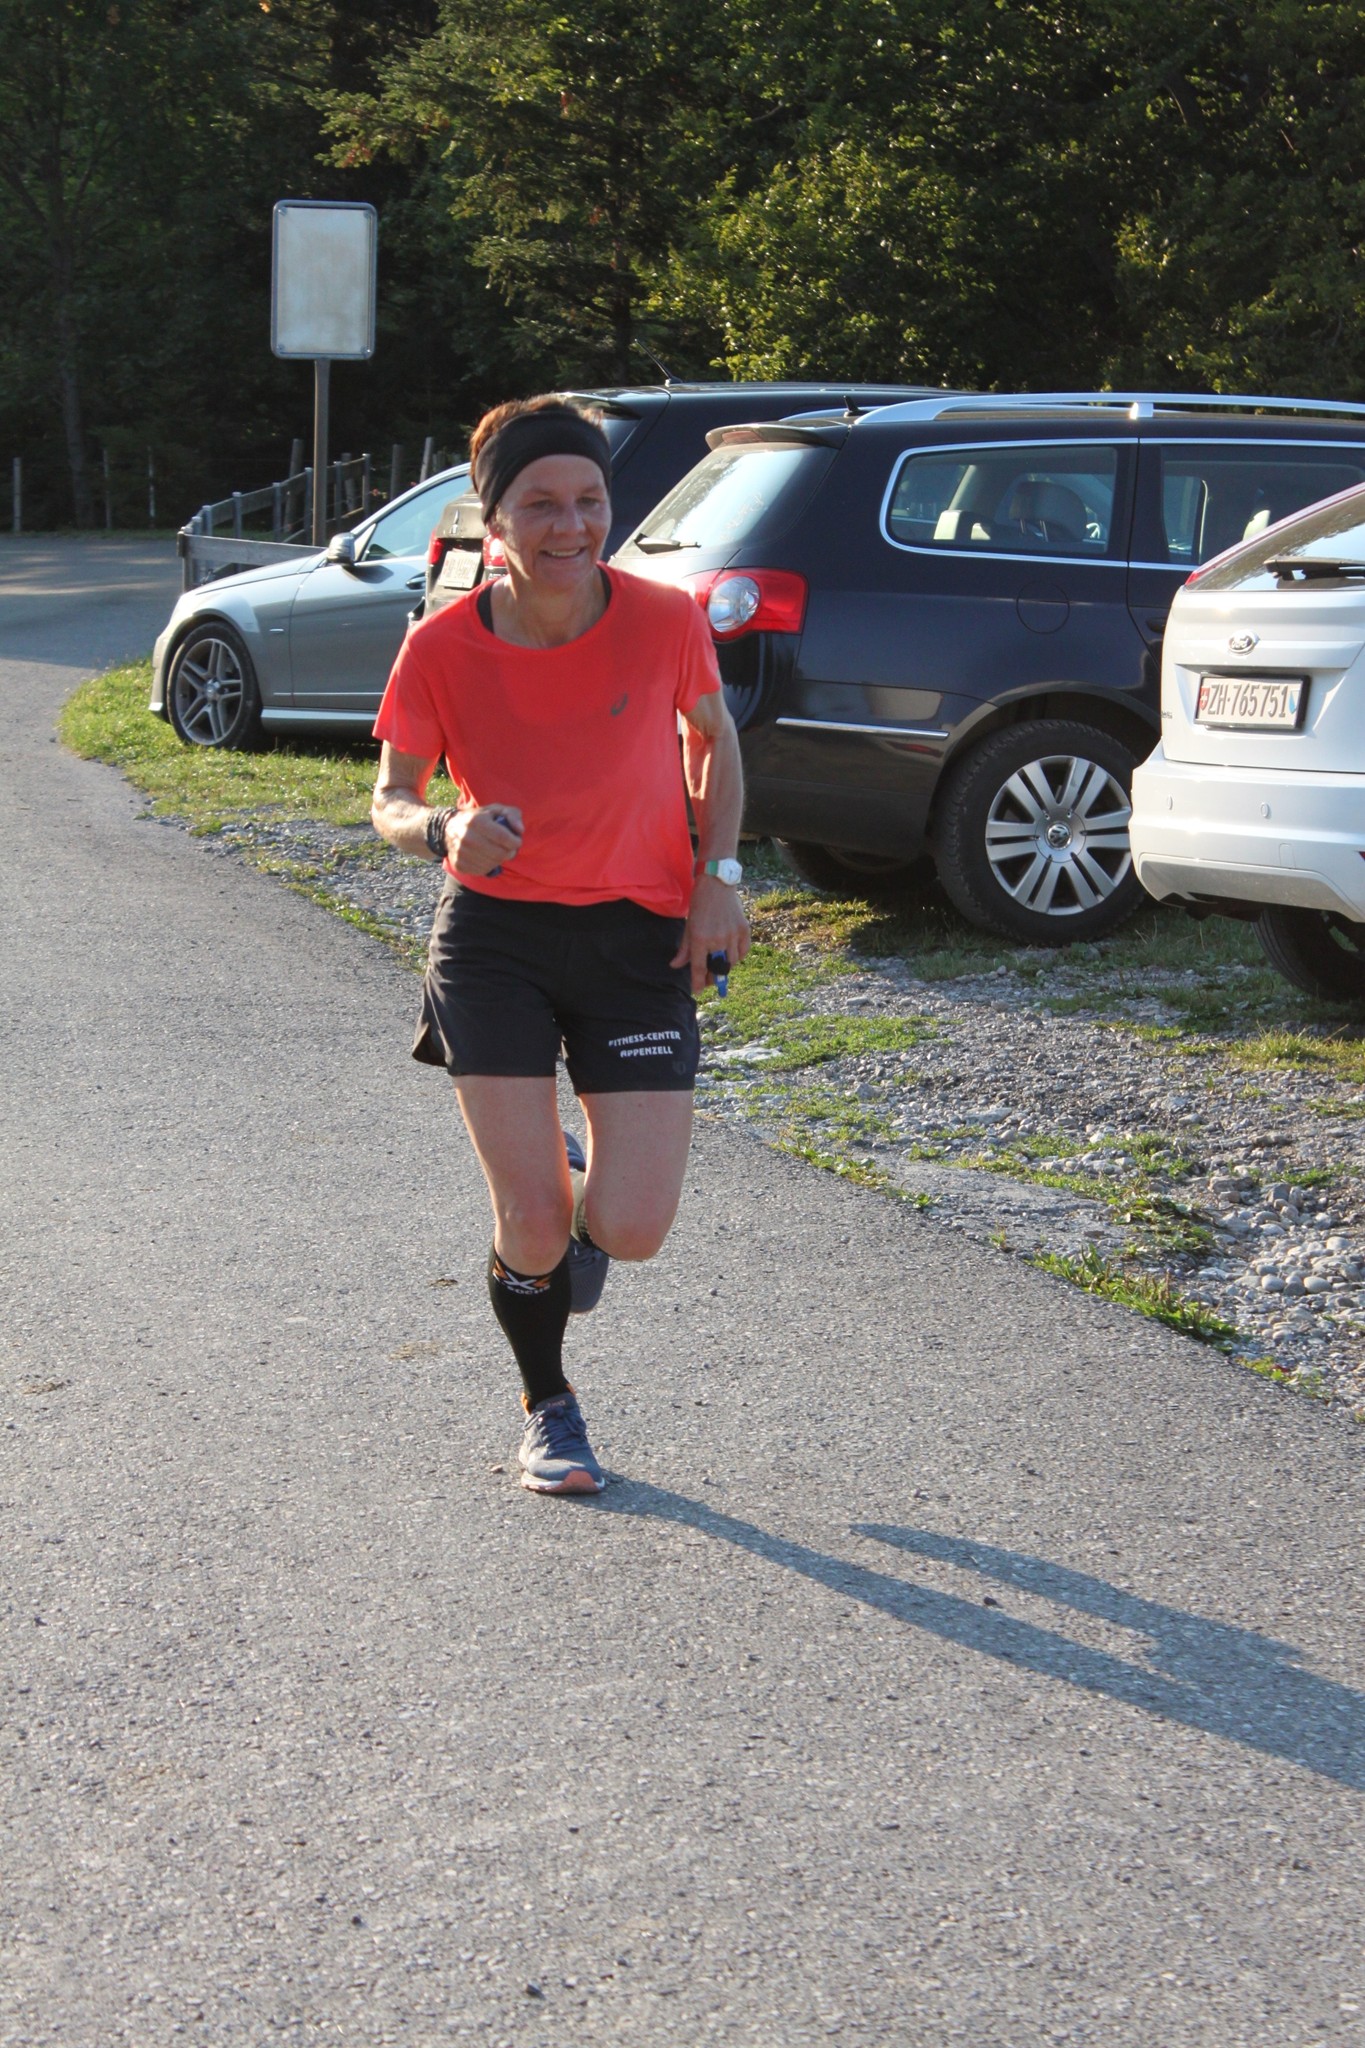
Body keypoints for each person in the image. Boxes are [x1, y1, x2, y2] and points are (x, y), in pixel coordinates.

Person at [370, 395, 750, 1495]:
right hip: (495, 938)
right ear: (495, 521)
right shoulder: (441, 648)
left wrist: (718, 878)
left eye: (588, 500)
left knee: (627, 1230)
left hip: (637, 937)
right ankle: (549, 1407)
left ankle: (576, 1181)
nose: (571, 525)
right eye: (540, 504)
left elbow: (713, 741)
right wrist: (443, 829)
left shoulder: (663, 618)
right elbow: (391, 796)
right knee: (533, 1224)